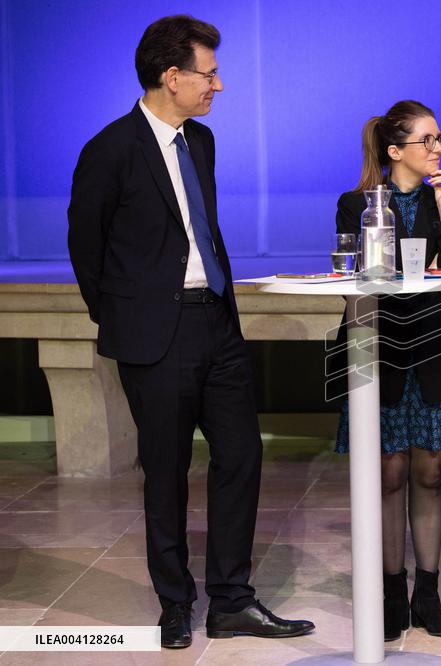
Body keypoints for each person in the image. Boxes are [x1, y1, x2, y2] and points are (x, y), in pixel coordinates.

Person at [67, 15, 314, 649]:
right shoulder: (110, 148)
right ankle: (175, 602)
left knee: (241, 455)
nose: (219, 86)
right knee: (168, 470)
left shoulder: (199, 142)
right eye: (209, 74)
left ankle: (232, 599)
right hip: (157, 333)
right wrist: (126, 315)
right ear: (170, 76)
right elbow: (86, 250)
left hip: (216, 322)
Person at [330, 100, 441, 642]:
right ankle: (391, 592)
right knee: (389, 473)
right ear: (395, 151)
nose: (437, 149)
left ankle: (428, 593)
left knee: (429, 473)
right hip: (380, 349)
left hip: (436, 350)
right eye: (427, 140)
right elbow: (355, 273)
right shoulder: (357, 205)